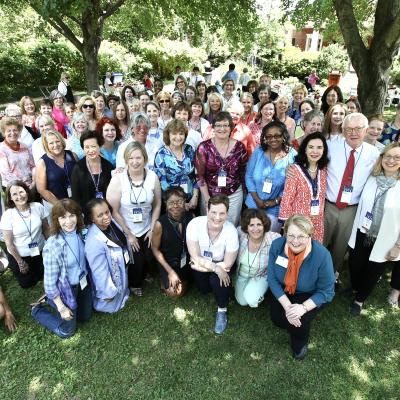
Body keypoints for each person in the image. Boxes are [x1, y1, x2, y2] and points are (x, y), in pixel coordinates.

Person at [268, 215, 335, 359]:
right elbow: (272, 279)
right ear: (285, 233)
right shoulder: (277, 246)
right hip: (284, 289)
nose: (296, 241)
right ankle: (290, 316)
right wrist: (288, 307)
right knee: (278, 319)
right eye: (291, 235)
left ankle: (299, 343)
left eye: (301, 236)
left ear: (310, 236)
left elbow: (327, 291)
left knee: (298, 321)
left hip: (310, 293)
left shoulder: (322, 255)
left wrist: (302, 308)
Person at [324, 113, 380, 283]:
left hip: (352, 209)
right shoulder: (330, 147)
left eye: (358, 129)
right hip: (328, 205)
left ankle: (331, 276)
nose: (353, 133)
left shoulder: (373, 153)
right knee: (319, 242)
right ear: (342, 130)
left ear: (366, 130)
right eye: (349, 129)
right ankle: (312, 274)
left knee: (341, 247)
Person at [348, 143, 400, 315]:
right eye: (388, 156)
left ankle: (359, 300)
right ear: (382, 158)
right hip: (362, 231)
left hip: (385, 238)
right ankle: (355, 288)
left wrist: (398, 246)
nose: (391, 160)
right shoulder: (371, 179)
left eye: (396, 157)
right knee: (355, 265)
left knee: (373, 270)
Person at [31, 199, 92, 339]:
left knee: (85, 317)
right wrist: (62, 307)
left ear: (78, 216)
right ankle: (38, 309)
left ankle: (51, 299)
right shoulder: (52, 246)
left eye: (72, 215)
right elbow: (49, 283)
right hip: (67, 288)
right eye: (63, 217)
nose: (68, 221)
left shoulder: (81, 233)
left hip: (83, 283)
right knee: (67, 331)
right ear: (56, 220)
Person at [107, 141, 162, 296]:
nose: (135, 162)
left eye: (138, 158)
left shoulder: (152, 177)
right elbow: (114, 210)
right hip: (126, 227)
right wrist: (129, 235)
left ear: (144, 158)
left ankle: (146, 273)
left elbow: (157, 204)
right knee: (136, 261)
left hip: (146, 226)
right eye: (131, 158)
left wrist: (152, 229)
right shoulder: (118, 179)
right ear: (126, 159)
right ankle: (134, 283)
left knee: (149, 256)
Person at [186, 195, 239, 334]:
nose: (217, 217)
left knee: (217, 280)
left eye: (222, 213)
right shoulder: (194, 224)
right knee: (204, 289)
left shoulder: (231, 231)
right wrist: (214, 268)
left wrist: (217, 268)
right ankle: (219, 286)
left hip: (222, 263)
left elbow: (227, 263)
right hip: (206, 262)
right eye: (214, 212)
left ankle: (222, 309)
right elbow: (195, 256)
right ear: (207, 210)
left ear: (227, 213)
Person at [195, 112, 247, 226]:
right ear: (213, 127)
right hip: (209, 194)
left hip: (233, 195)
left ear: (231, 128)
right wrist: (207, 199)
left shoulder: (240, 147)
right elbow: (199, 175)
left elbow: (243, 171)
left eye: (225, 125)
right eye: (218, 125)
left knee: (231, 226)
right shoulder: (203, 147)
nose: (222, 128)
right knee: (210, 226)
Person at [245, 121, 296, 232]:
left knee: (269, 241)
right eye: (269, 136)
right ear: (265, 138)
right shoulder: (258, 152)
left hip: (276, 208)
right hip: (253, 204)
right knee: (251, 236)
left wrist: (276, 201)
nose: (273, 139)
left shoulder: (292, 155)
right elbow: (248, 176)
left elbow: (292, 185)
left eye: (277, 135)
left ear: (284, 136)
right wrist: (256, 199)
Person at [279, 132, 329, 243]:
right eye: (311, 147)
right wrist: (287, 226)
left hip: (317, 223)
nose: (315, 151)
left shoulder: (324, 169)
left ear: (324, 150)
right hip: (298, 224)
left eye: (319, 147)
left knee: (313, 254)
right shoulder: (294, 170)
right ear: (305, 149)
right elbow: (287, 199)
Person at [0, 181, 49, 288]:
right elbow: (9, 244)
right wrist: (20, 262)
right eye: (14, 194)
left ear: (27, 191)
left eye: (21, 192)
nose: (19, 196)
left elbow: (46, 229)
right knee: (27, 284)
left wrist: (50, 247)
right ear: (10, 198)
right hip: (20, 255)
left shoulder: (38, 206)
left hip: (39, 250)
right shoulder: (8, 216)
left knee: (43, 274)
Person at [85, 198, 130, 313]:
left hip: (122, 279)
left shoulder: (112, 223)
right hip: (111, 295)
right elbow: (100, 272)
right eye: (100, 215)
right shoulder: (93, 242)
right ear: (92, 219)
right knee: (111, 304)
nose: (106, 217)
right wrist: (108, 293)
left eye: (107, 212)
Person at [152, 187, 194, 297]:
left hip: (186, 260)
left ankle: (184, 278)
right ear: (166, 203)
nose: (175, 206)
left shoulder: (191, 218)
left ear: (185, 201)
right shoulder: (160, 224)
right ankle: (165, 278)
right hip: (168, 262)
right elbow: (155, 249)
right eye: (171, 202)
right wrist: (170, 272)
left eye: (179, 201)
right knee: (175, 293)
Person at [235, 209, 280, 308]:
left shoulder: (273, 238)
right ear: (246, 227)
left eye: (259, 224)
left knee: (251, 300)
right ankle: (249, 288)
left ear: (264, 225)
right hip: (242, 275)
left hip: (261, 275)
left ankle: (261, 289)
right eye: (251, 225)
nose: (256, 229)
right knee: (242, 302)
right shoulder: (240, 234)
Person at [154, 119, 199, 210]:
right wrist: (179, 204)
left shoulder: (190, 150)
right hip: (171, 204)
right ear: (168, 135)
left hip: (191, 201)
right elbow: (162, 183)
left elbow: (196, 176)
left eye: (181, 133)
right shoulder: (161, 154)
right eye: (174, 133)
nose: (178, 137)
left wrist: (195, 197)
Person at [36, 129, 76, 216]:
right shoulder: (42, 163)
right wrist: (60, 206)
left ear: (61, 141)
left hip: (75, 202)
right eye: (51, 143)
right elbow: (42, 190)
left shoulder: (72, 155)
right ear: (46, 145)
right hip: (54, 205)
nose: (55, 145)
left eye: (57, 141)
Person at [71, 131, 113, 214]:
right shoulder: (78, 168)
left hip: (106, 212)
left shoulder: (108, 166)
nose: (90, 150)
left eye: (93, 146)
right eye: (87, 147)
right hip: (87, 213)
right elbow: (76, 196)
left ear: (99, 146)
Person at [0, 117, 35, 191]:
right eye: (8, 131)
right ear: (4, 133)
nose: (12, 133)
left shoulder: (24, 147)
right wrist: (23, 187)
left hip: (30, 186)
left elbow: (32, 166)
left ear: (19, 132)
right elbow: (6, 174)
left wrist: (34, 181)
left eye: (15, 130)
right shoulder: (1, 149)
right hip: (12, 188)